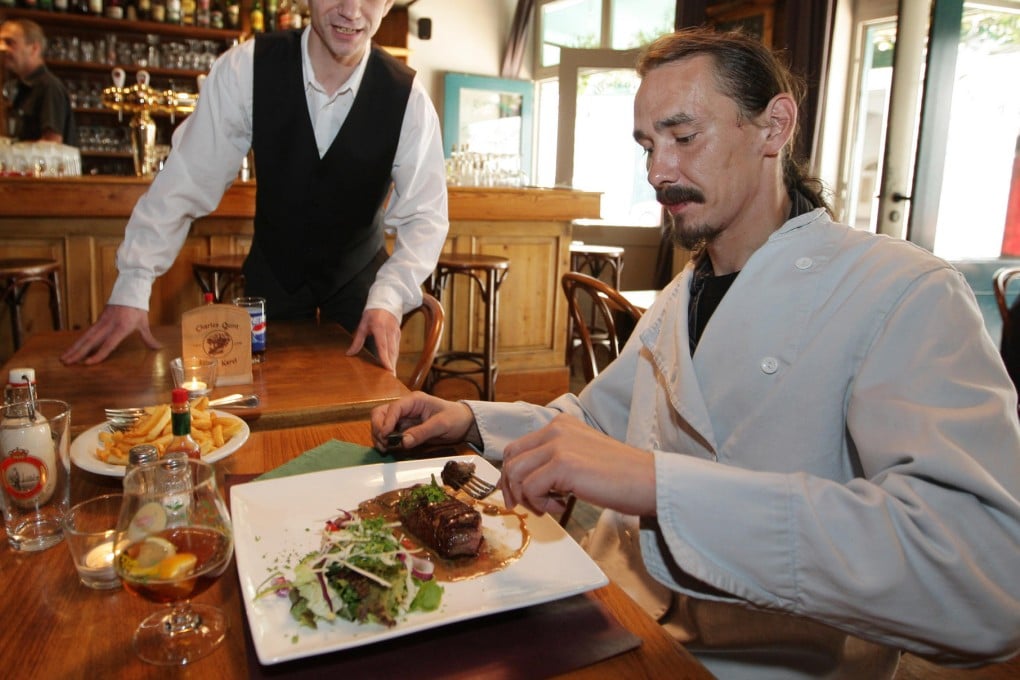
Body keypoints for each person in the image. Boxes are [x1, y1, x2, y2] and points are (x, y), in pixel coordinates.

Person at [371, 28, 1020, 679]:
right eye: (649, 146)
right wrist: (474, 421)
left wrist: (658, 485)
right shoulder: (686, 292)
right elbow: (598, 426)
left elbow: (988, 576)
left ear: (773, 127)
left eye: (684, 137)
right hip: (612, 611)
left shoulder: (902, 290)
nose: (658, 171)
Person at [60, 0, 447, 372]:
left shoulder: (408, 97)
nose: (350, 10)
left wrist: (391, 296)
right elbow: (186, 179)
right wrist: (134, 282)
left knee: (361, 425)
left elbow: (425, 217)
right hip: (272, 283)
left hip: (362, 294)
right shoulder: (246, 68)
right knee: (262, 409)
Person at [0, 19, 77, 145]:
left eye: (10, 42)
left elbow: (51, 144)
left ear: (34, 49)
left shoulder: (48, 87)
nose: (2, 48)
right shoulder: (23, 86)